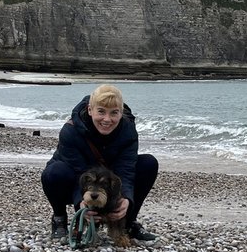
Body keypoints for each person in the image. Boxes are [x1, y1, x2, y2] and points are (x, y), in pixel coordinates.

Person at [42, 84, 159, 242]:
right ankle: (59, 219)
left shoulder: (128, 131)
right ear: (90, 110)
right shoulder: (70, 131)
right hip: (73, 179)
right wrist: (80, 203)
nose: (107, 119)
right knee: (53, 172)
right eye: (101, 111)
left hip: (108, 181)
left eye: (114, 113)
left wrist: (126, 199)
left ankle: (128, 221)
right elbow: (79, 172)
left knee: (148, 163)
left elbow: (126, 170)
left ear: (121, 112)